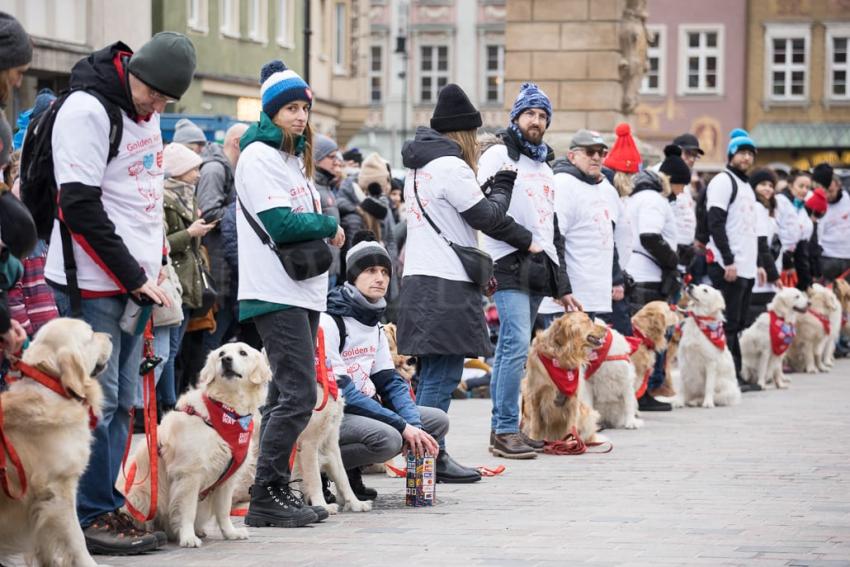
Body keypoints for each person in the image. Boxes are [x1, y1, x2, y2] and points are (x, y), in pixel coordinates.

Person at [44, 32, 196, 554]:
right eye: (153, 93)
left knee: (123, 402)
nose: (157, 106)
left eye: (167, 101)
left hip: (137, 286)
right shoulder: (88, 110)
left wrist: (152, 268)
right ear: (132, 70)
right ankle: (86, 514)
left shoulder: (145, 115)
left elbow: (143, 199)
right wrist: (133, 273)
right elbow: (79, 206)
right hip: (93, 285)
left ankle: (103, 505)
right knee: (97, 402)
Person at [398, 83, 532, 476]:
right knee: (443, 375)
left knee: (433, 375)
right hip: (446, 284)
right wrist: (504, 186)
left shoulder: (419, 166)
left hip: (422, 279)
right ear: (463, 133)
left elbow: (458, 214)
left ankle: (423, 456)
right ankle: (430, 458)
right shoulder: (451, 166)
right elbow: (488, 218)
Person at [236, 60, 345, 528]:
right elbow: (280, 222)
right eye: (290, 108)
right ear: (271, 112)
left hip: (301, 291)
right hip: (273, 291)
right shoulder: (259, 156)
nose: (299, 116)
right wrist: (329, 224)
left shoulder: (289, 159)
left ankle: (277, 486)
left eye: (304, 108)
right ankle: (266, 493)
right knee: (299, 395)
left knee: (285, 392)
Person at [477, 82, 579, 459]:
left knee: (518, 349)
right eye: (529, 114)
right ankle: (503, 431)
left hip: (538, 266)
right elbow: (486, 214)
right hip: (505, 261)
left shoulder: (543, 165)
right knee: (514, 344)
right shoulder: (499, 155)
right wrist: (524, 240)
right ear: (516, 117)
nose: (535, 121)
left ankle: (511, 428)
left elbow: (550, 230)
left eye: (541, 116)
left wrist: (561, 283)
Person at [322, 233, 443, 497]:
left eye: (385, 272)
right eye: (370, 270)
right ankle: (321, 473)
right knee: (389, 438)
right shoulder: (329, 321)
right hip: (332, 413)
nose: (380, 278)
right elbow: (344, 393)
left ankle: (351, 475)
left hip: (363, 408)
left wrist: (413, 425)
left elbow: (390, 381)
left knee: (435, 421)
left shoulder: (374, 324)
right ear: (353, 276)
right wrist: (401, 426)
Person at [542, 129, 626, 329]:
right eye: (589, 152)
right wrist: (561, 288)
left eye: (601, 152)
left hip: (594, 293)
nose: (596, 157)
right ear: (572, 156)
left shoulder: (606, 188)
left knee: (583, 358)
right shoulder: (563, 184)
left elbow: (608, 236)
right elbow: (554, 241)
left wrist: (616, 279)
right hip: (567, 298)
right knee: (561, 358)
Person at [704, 129, 759, 392]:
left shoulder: (747, 185)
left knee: (737, 323)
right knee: (726, 324)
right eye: (742, 153)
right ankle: (727, 378)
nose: (746, 158)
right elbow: (715, 222)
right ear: (731, 155)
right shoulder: (724, 181)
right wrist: (728, 260)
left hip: (746, 266)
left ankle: (735, 373)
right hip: (729, 265)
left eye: (750, 154)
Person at [161, 142, 213, 411]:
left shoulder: (188, 197)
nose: (198, 174)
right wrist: (190, 234)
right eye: (194, 169)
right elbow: (163, 243)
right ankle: (167, 404)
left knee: (176, 349)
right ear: (180, 171)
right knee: (169, 351)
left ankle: (169, 401)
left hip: (187, 282)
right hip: (173, 284)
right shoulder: (165, 199)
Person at [624, 169, 678, 410]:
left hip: (634, 272)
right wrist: (672, 260)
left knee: (636, 337)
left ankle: (638, 392)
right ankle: (641, 393)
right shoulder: (654, 200)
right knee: (647, 339)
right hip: (648, 276)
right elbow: (650, 236)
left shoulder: (632, 199)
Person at [198, 122, 249, 350]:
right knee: (214, 333)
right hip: (216, 264)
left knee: (225, 328)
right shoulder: (215, 169)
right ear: (237, 143)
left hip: (226, 263)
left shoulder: (231, 169)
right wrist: (243, 212)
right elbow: (208, 212)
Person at [747, 168, 781, 327]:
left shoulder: (766, 208)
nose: (768, 188)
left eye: (770, 185)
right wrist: (774, 275)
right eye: (762, 184)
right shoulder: (758, 207)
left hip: (764, 268)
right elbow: (760, 243)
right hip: (761, 273)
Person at [775, 170, 814, 292]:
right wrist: (787, 262)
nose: (804, 190)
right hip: (778, 258)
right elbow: (775, 232)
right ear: (791, 185)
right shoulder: (780, 201)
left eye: (807, 187)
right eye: (801, 186)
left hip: (795, 259)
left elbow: (802, 241)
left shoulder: (801, 207)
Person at [313, 134, 342, 287]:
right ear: (316, 159)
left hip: (332, 268)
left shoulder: (326, 187)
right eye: (331, 157)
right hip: (320, 270)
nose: (336, 162)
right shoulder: (314, 188)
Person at [813, 164, 850, 282]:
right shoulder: (816, 202)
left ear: (839, 186)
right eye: (824, 192)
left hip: (847, 255)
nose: (827, 196)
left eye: (830, 191)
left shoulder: (847, 198)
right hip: (826, 257)